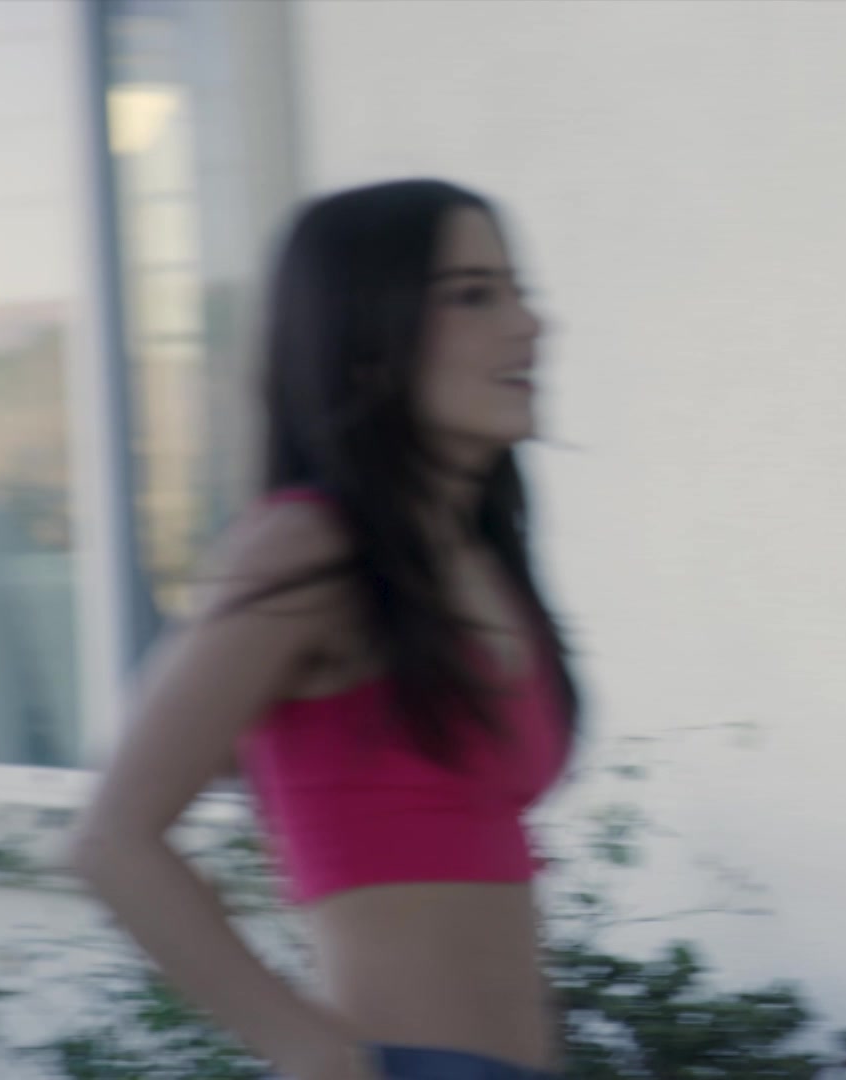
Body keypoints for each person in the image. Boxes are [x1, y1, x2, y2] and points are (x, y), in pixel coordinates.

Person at [70, 179, 581, 1080]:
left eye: (516, 291)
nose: (530, 325)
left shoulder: (472, 557)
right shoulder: (310, 547)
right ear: (364, 343)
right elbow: (114, 841)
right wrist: (311, 1051)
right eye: (473, 296)